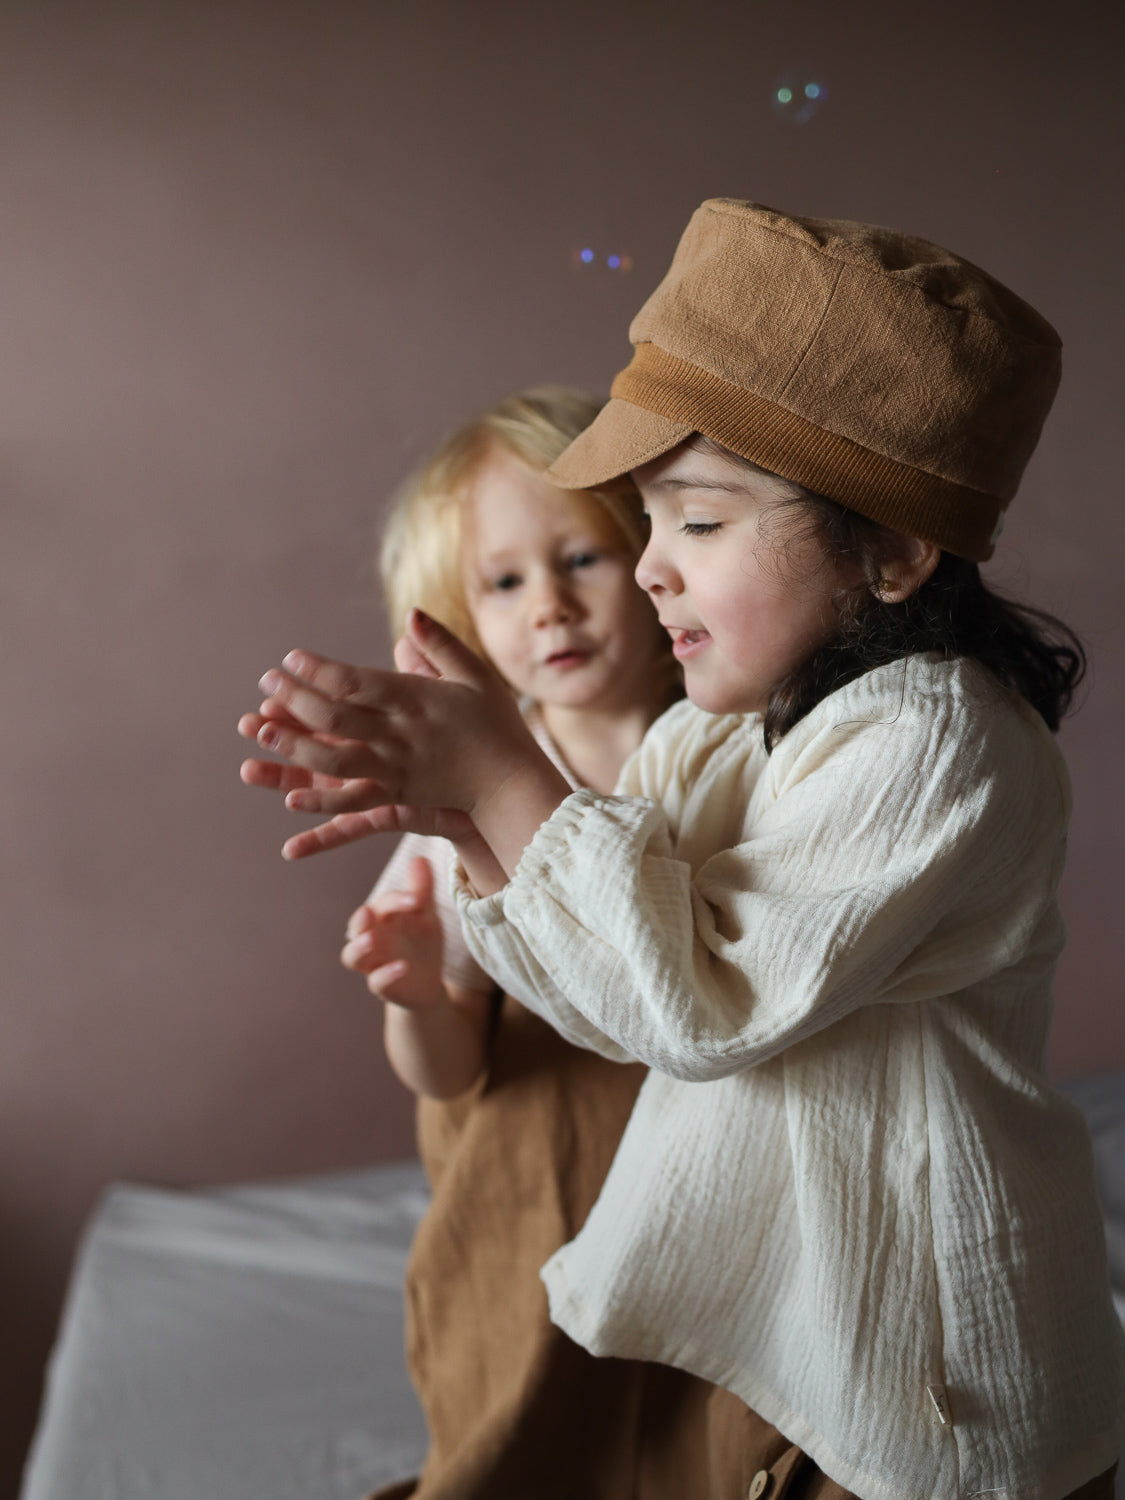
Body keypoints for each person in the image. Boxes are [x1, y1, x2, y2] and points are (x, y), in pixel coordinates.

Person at [241, 201, 1125, 1499]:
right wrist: (476, 834)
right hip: (777, 1344)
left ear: (885, 552)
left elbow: (712, 1005)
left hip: (930, 1375)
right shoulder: (720, 737)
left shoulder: (934, 734)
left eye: (695, 526)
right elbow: (616, 999)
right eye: (644, 527)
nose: (653, 574)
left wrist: (505, 775)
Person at [241, 388, 750, 1499]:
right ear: (457, 621)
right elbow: (451, 1075)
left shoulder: (725, 754)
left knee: (715, 1435)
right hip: (537, 1197)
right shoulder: (452, 802)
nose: (551, 608)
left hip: (717, 1193)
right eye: (505, 582)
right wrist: (419, 995)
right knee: (526, 1430)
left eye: (582, 559)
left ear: (656, 560)